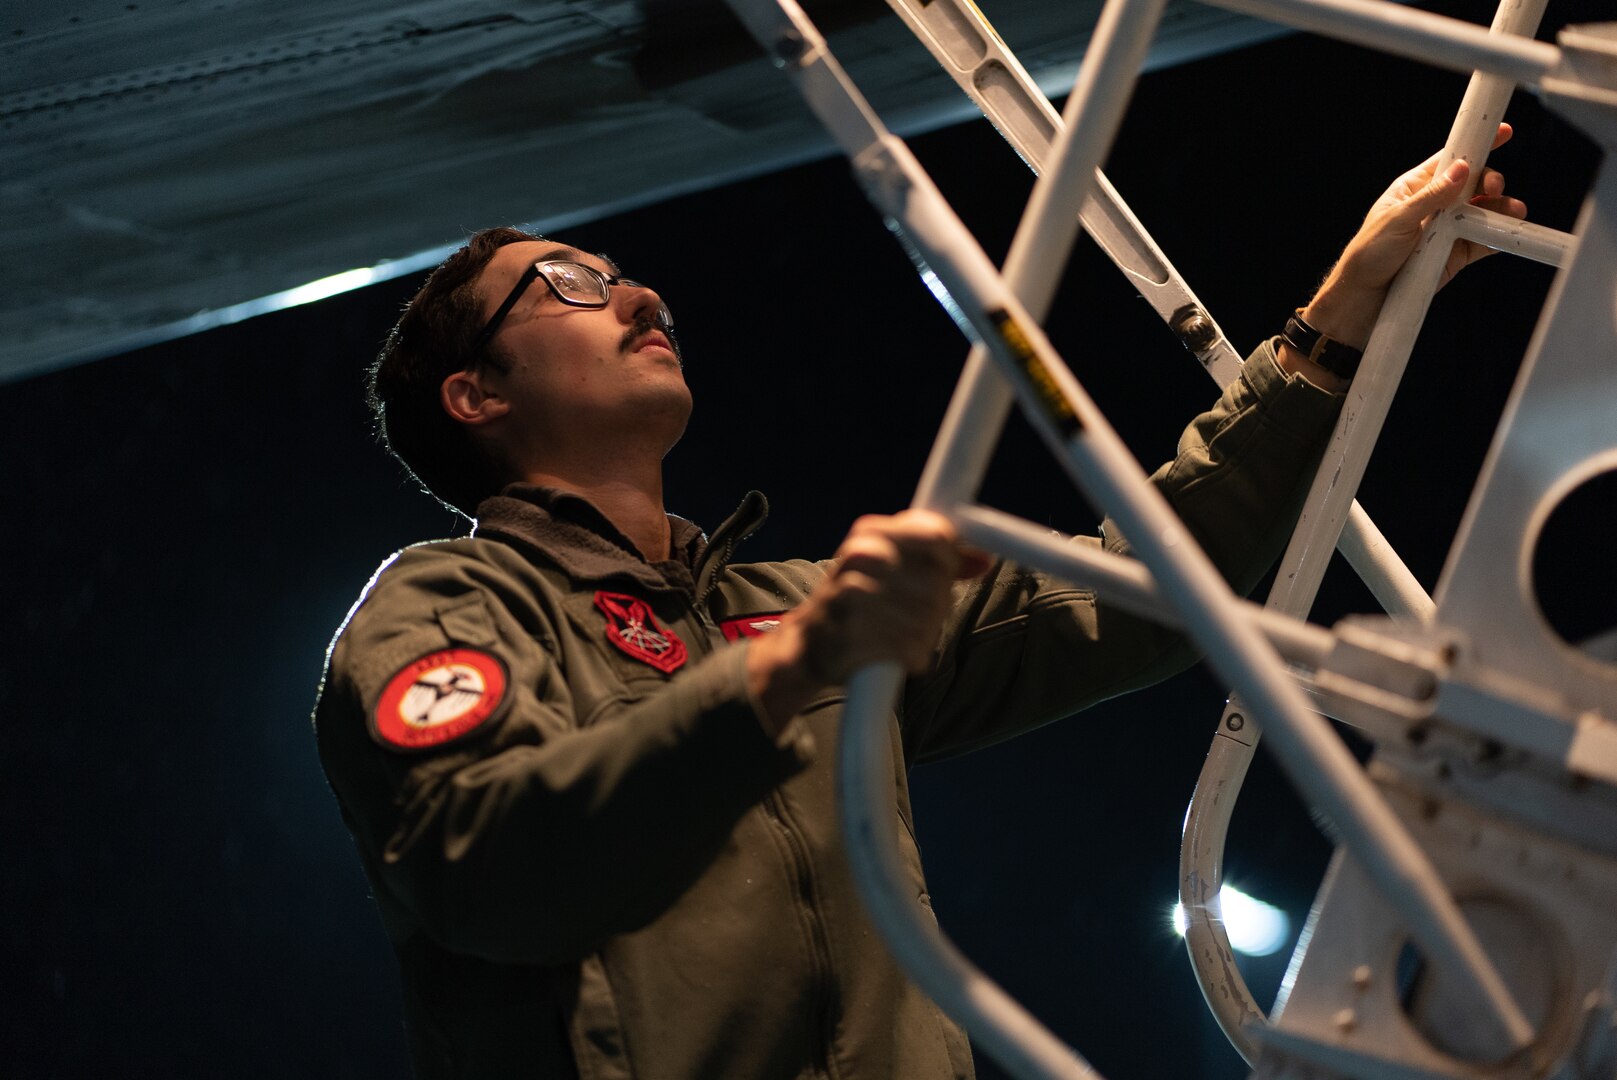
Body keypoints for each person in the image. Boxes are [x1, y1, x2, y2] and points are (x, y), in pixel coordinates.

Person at [313, 131, 1525, 1078]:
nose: (638, 298)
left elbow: (1136, 594)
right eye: (569, 285)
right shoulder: (444, 606)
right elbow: (493, 871)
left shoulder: (792, 606)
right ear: (474, 396)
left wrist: (1342, 316)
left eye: (628, 273)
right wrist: (788, 672)